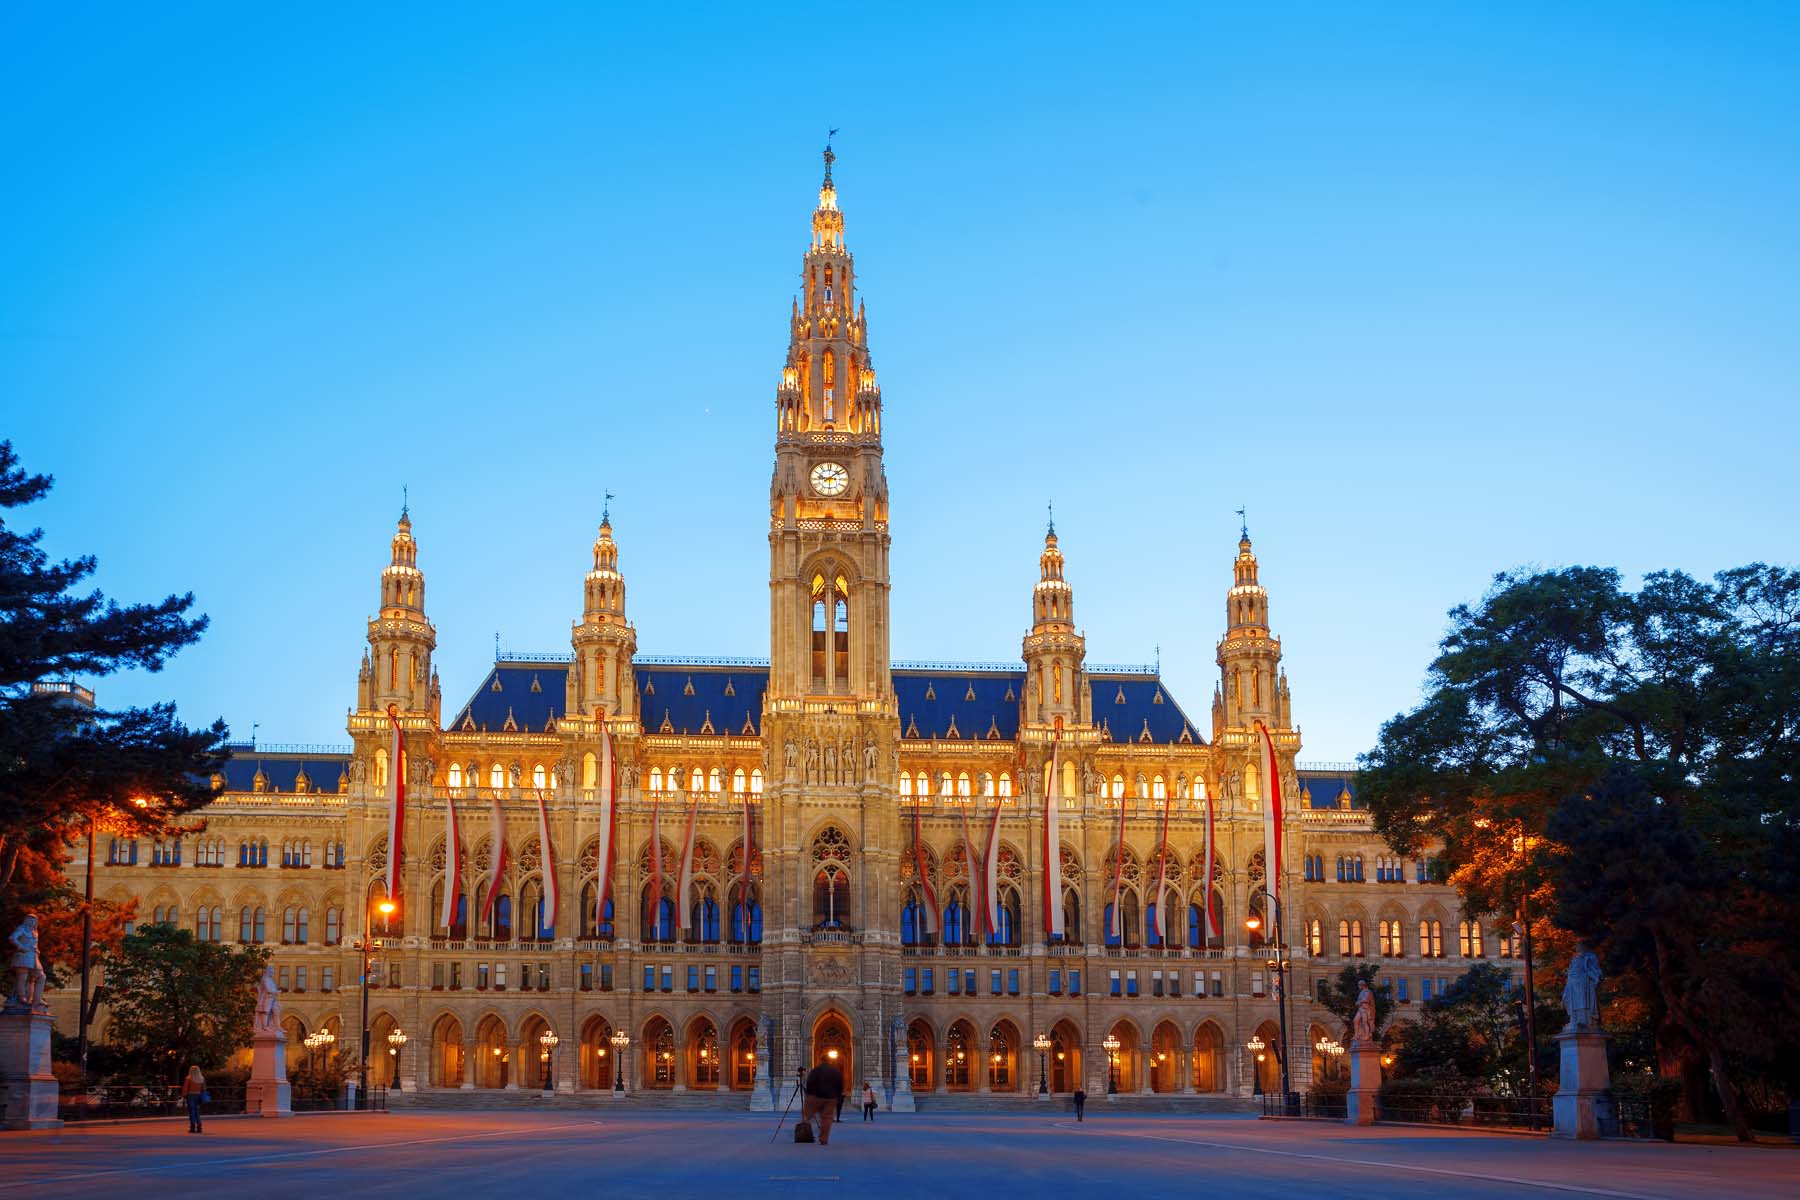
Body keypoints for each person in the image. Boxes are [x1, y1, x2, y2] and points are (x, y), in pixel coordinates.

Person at [801, 1057, 844, 1146]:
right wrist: (837, 1096)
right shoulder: (836, 1072)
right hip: (830, 1098)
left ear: (821, 1061)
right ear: (830, 1061)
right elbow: (840, 1085)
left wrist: (809, 1095)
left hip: (816, 1097)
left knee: (807, 1114)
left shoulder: (816, 1070)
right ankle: (823, 1139)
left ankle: (803, 1132)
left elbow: (810, 1083)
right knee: (827, 1119)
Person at [182, 1065, 206, 1133]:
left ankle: (192, 1127)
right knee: (197, 1111)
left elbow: (185, 1089)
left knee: (191, 1111)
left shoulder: (188, 1079)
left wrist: (184, 1095)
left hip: (191, 1096)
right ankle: (199, 1126)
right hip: (198, 1095)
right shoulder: (201, 1079)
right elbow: (204, 1089)